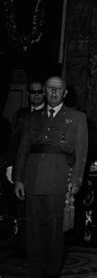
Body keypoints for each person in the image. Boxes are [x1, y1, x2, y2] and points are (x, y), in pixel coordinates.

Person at [13, 76, 88, 277]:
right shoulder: (31, 119)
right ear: (44, 91)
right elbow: (22, 151)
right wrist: (18, 179)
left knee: (55, 235)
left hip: (59, 182)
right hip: (33, 181)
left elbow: (81, 154)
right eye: (49, 89)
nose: (53, 92)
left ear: (65, 93)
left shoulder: (77, 118)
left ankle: (51, 273)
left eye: (58, 89)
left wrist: (76, 181)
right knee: (33, 233)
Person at [5, 80, 45, 257]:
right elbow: (13, 142)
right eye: (32, 92)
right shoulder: (21, 114)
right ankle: (22, 244)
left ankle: (37, 246)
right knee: (20, 206)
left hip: (40, 169)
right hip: (21, 167)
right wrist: (10, 165)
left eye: (39, 92)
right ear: (28, 94)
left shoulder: (49, 114)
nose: (36, 95)